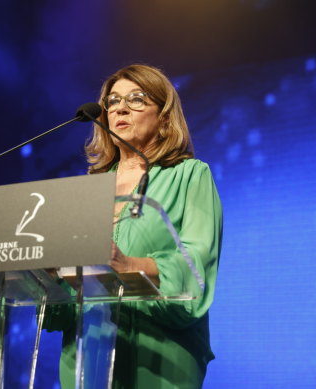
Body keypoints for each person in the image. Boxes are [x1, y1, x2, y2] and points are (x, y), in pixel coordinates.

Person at [43, 64, 223, 388]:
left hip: (159, 355)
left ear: (165, 116)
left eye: (137, 99)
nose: (120, 108)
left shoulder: (190, 175)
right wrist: (49, 274)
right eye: (112, 101)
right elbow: (71, 288)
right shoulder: (88, 187)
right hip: (89, 352)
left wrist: (128, 265)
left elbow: (197, 265)